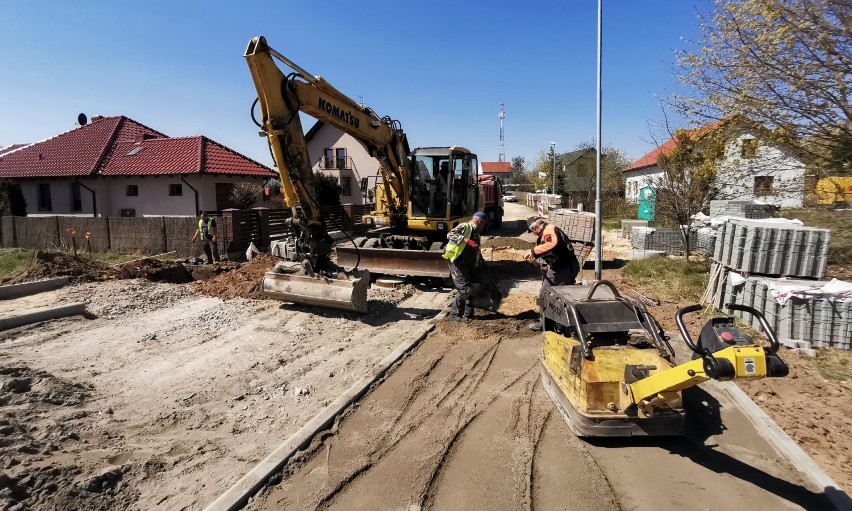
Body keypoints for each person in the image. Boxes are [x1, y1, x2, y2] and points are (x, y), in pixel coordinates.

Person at [526, 217, 580, 331]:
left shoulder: (550, 229)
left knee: (545, 294)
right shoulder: (543, 235)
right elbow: (550, 253)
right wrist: (535, 260)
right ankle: (557, 322)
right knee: (556, 295)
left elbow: (552, 243)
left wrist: (533, 252)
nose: (533, 234)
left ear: (535, 227)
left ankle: (546, 322)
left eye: (532, 231)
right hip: (560, 268)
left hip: (565, 268)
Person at [443, 211, 487, 322]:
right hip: (457, 262)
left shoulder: (476, 234)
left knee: (473, 286)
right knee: (464, 289)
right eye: (483, 224)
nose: (483, 227)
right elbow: (450, 234)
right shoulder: (465, 226)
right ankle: (454, 315)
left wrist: (481, 263)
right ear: (479, 221)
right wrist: (465, 239)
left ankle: (468, 314)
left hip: (469, 264)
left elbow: (476, 250)